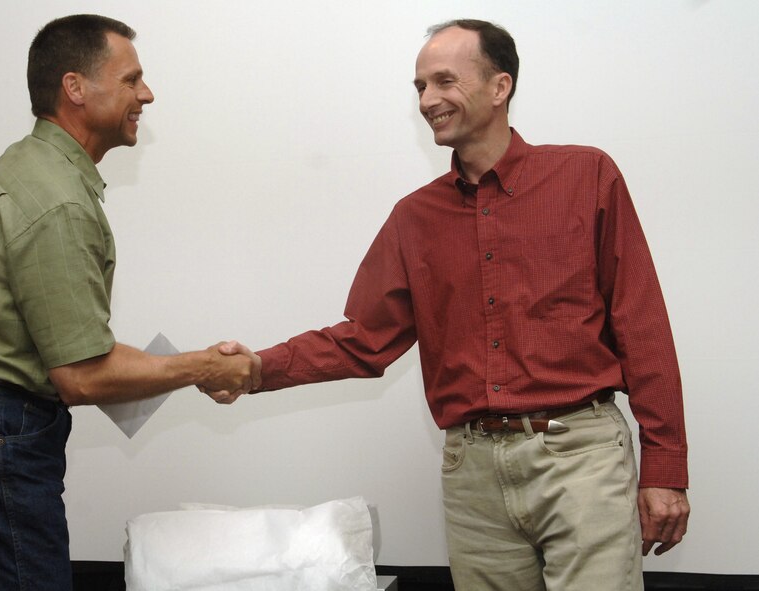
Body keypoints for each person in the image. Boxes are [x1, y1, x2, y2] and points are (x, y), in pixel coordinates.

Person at [214, 19, 689, 591]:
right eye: (420, 86)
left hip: (582, 458)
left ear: (499, 86)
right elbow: (364, 340)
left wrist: (665, 468)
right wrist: (257, 367)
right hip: (473, 476)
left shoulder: (586, 175)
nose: (427, 100)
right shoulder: (414, 217)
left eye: (444, 81)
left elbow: (642, 325)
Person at [0, 14, 260, 591]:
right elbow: (81, 375)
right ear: (74, 87)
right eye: (131, 79)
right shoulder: (58, 200)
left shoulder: (35, 167)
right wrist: (204, 367)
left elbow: (73, 353)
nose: (146, 95)